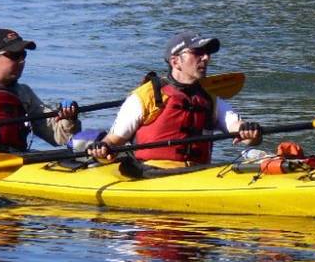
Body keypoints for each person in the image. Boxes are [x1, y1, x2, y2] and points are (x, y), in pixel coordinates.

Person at [88, 31, 262, 166]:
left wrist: (249, 132)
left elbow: (238, 129)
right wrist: (101, 149)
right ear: (175, 61)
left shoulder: (209, 100)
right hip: (150, 174)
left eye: (207, 53)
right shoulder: (145, 96)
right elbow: (113, 141)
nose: (206, 58)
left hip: (197, 173)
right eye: (198, 52)